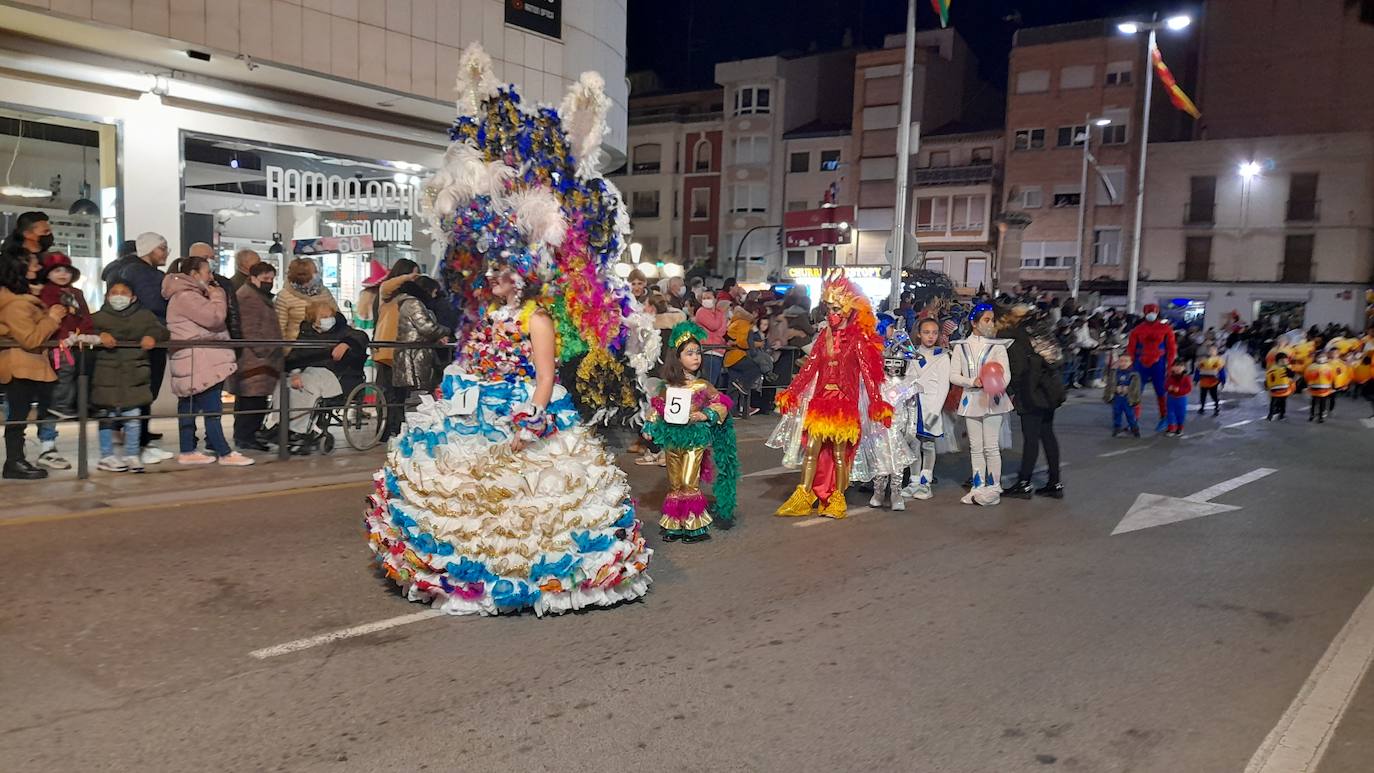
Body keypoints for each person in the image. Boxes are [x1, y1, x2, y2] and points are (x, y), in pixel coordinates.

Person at [770, 272, 892, 519]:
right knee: (812, 450)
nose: (831, 314)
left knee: (839, 454)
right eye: (828, 308)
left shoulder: (857, 340)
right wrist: (791, 392)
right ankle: (804, 494)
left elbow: (868, 375)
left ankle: (837, 498)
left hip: (844, 406)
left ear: (848, 309)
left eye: (836, 308)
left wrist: (877, 402)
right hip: (820, 403)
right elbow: (809, 368)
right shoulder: (822, 338)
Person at [644, 321, 739, 542]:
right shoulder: (667, 387)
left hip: (694, 440)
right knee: (675, 483)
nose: (696, 357)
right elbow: (657, 407)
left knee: (689, 481)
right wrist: (649, 424)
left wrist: (705, 414)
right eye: (690, 353)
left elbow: (721, 404)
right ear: (678, 358)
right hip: (672, 440)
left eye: (698, 353)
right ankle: (675, 524)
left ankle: (694, 526)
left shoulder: (703, 386)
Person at [162, 256, 254, 466]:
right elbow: (214, 318)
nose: (211, 277)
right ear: (194, 275)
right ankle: (224, 452)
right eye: (207, 272)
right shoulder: (187, 296)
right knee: (212, 407)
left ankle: (188, 450)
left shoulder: (182, 295)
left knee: (189, 405)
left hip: (192, 359)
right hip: (201, 360)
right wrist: (218, 295)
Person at [104, 232, 174, 465]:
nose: (166, 252)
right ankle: (140, 445)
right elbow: (154, 304)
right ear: (149, 250)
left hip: (139, 337)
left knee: (141, 393)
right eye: (162, 248)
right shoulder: (143, 274)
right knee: (144, 391)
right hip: (146, 339)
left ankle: (139, 442)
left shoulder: (127, 270)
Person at [90, 281, 170, 472]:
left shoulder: (144, 316)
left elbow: (162, 330)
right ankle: (106, 456)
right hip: (106, 375)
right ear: (107, 296)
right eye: (114, 292)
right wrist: (99, 335)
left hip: (135, 373)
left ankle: (132, 454)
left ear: (133, 297)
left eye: (124, 292)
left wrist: (152, 336)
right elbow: (83, 331)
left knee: (133, 418)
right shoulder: (98, 318)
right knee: (106, 417)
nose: (119, 296)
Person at [0, 255, 65, 479]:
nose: (38, 267)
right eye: (33, 264)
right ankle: (14, 461)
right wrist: (53, 318)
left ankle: (17, 460)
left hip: (26, 363)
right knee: (18, 416)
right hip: (20, 365)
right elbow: (31, 338)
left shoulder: (19, 300)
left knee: (20, 414)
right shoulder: (17, 305)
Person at [30, 252, 94, 470]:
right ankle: (47, 445)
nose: (62, 274)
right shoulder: (43, 293)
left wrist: (84, 334)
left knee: (65, 392)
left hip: (77, 350)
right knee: (51, 398)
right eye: (57, 270)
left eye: (66, 270)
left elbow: (85, 317)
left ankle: (50, 442)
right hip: (53, 351)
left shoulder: (77, 293)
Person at [281, 301, 369, 450]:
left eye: (330, 315)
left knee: (309, 385)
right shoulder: (306, 334)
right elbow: (295, 357)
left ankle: (302, 430)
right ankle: (280, 425)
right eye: (323, 316)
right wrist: (295, 372)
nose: (328, 319)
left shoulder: (342, 330)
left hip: (338, 375)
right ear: (313, 319)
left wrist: (346, 343)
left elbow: (360, 336)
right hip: (310, 374)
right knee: (285, 383)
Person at [949, 304, 1014, 506]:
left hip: (993, 400)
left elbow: (1006, 375)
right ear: (973, 322)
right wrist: (972, 382)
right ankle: (977, 486)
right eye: (986, 319)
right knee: (975, 447)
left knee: (991, 446)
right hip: (971, 400)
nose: (991, 323)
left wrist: (992, 384)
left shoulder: (999, 346)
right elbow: (953, 375)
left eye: (992, 319)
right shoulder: (960, 346)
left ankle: (993, 487)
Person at [857, 318, 920, 511]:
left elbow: (912, 406)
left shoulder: (909, 382)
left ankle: (896, 493)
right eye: (890, 361)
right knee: (880, 459)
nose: (894, 365)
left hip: (899, 426)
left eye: (898, 362)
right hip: (880, 426)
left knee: (898, 461)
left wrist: (911, 428)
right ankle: (878, 491)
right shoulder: (879, 381)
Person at [1003, 306, 1067, 499]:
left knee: (1030, 438)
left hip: (1030, 391)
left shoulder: (1017, 336)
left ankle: (1024, 482)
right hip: (1049, 390)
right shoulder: (1043, 330)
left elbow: (1017, 368)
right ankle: (1055, 482)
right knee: (1047, 434)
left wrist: (1010, 391)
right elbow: (1058, 359)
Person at [377, 276, 451, 440]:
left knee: (405, 397)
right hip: (414, 357)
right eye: (433, 292)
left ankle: (402, 430)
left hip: (411, 354)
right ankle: (414, 432)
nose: (434, 296)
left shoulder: (405, 302)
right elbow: (426, 327)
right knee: (417, 395)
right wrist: (447, 331)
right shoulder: (413, 303)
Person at [231, 261, 283, 452]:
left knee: (254, 400)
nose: (269, 282)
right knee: (252, 401)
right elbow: (250, 330)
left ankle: (248, 436)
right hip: (254, 360)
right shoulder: (248, 297)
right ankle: (246, 437)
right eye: (265, 279)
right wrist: (266, 351)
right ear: (253, 278)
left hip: (259, 360)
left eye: (271, 279)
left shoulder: (256, 295)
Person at [900, 317, 951, 501]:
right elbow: (906, 379)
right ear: (919, 334)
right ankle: (914, 482)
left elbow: (944, 386)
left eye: (934, 333)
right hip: (914, 405)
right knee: (913, 443)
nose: (931, 336)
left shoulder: (943, 356)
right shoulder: (911, 355)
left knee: (928, 445)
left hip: (931, 406)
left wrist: (935, 411)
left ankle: (925, 482)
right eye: (927, 332)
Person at [275, 257, 338, 342]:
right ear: (303, 275)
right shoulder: (284, 296)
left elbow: (337, 315)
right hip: (297, 347)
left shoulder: (324, 292)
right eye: (314, 272)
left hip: (324, 345)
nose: (317, 275)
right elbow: (280, 328)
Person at [188, 242, 243, 340]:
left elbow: (232, 315)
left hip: (220, 339)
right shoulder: (182, 288)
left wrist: (236, 340)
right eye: (205, 257)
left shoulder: (223, 283)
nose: (210, 261)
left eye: (212, 257)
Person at [723, 302, 762, 416]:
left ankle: (730, 412)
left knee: (732, 386)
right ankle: (743, 384)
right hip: (738, 355)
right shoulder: (745, 323)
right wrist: (752, 345)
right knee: (755, 368)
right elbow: (742, 341)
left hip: (730, 357)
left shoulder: (734, 321)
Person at [694, 290, 729, 387]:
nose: (705, 300)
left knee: (713, 384)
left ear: (715, 299)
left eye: (708, 298)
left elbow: (722, 331)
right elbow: (714, 325)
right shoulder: (701, 312)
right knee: (708, 384)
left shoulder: (718, 313)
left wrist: (719, 313)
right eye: (704, 298)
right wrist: (720, 313)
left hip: (718, 351)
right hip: (708, 350)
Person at [1104, 353, 1143, 438]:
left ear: (1130, 362)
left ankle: (1134, 428)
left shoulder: (1134, 374)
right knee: (1116, 413)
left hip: (1127, 398)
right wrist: (1114, 390)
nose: (1123, 363)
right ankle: (1117, 428)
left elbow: (1136, 388)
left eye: (1126, 361)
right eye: (1121, 361)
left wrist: (1129, 390)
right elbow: (1110, 384)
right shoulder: (1115, 373)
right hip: (1118, 397)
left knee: (1130, 414)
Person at [1194, 345, 1227, 415]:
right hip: (1203, 381)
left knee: (1213, 394)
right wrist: (1196, 379)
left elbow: (1221, 371)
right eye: (1210, 350)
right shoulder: (1202, 360)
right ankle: (1202, 407)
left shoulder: (1219, 360)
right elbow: (1198, 370)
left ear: (1216, 352)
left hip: (1213, 381)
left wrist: (1223, 380)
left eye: (1213, 350)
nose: (1211, 352)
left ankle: (1216, 406)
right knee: (1203, 395)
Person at [1305, 350, 1336, 423]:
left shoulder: (1329, 367)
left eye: (1323, 357)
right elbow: (1307, 376)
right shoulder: (1311, 367)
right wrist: (1307, 385)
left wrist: (1333, 387)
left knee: (1323, 403)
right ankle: (1312, 415)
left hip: (1325, 389)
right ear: (1316, 358)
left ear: (1326, 358)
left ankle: (1320, 416)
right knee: (1313, 402)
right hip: (1314, 388)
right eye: (1319, 357)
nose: (1321, 358)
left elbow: (1333, 377)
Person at [1165, 360, 1193, 437]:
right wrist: (1168, 388)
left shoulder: (1186, 378)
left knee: (1180, 414)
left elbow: (1188, 389)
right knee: (1170, 413)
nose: (1178, 368)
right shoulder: (1170, 376)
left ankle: (1179, 428)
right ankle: (1171, 428)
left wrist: (1179, 390)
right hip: (1170, 398)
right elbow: (1166, 385)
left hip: (1181, 398)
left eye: (1180, 366)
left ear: (1184, 368)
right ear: (1172, 368)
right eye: (1176, 366)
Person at [1265, 352, 1297, 421]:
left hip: (1283, 390)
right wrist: (1267, 385)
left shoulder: (1287, 368)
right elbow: (1268, 378)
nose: (1285, 362)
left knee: (1281, 403)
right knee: (1274, 403)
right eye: (1282, 361)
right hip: (1277, 390)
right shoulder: (1273, 369)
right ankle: (1271, 415)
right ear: (1277, 361)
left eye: (1286, 361)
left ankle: (1281, 414)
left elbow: (1292, 375)